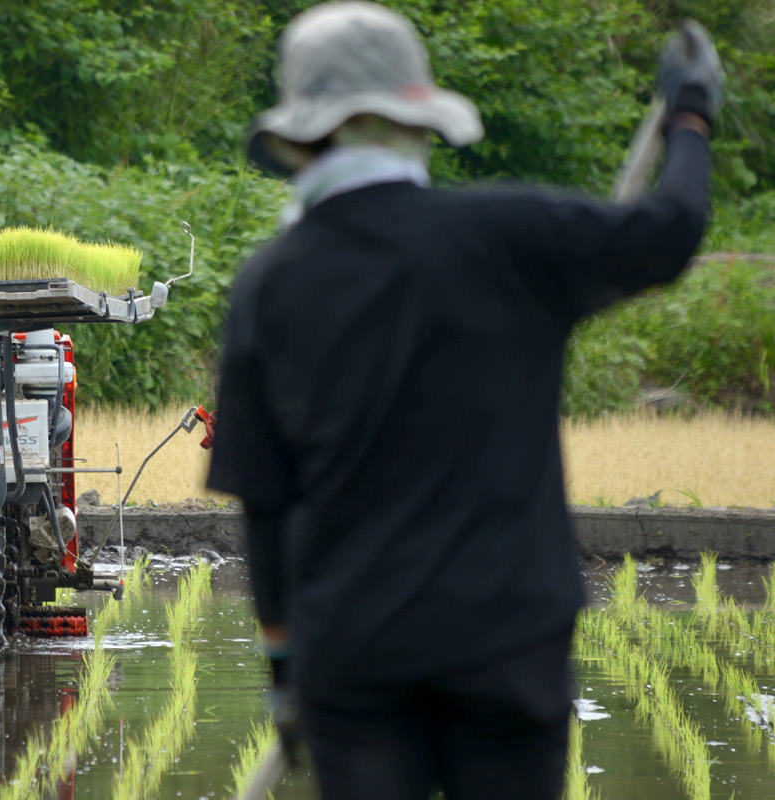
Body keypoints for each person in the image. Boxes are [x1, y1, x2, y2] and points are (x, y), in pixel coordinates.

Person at [206, 4, 721, 798]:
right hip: (507, 644)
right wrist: (690, 113)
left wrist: (284, 670)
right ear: (418, 121)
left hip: (355, 658)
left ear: (302, 135)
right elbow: (671, 226)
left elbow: (265, 511)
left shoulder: (271, 284)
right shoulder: (511, 237)